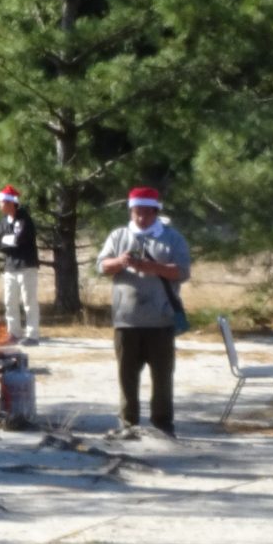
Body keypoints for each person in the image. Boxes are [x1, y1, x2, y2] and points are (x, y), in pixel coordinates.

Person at [96, 187, 192, 437]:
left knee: (162, 377)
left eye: (146, 213)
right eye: (136, 212)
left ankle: (163, 425)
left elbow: (182, 271)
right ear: (131, 211)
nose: (141, 218)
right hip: (126, 320)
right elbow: (102, 266)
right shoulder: (118, 236)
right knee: (126, 377)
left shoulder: (172, 238)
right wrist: (120, 262)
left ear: (155, 212)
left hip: (161, 320)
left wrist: (152, 267)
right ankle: (128, 424)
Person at [0, 185, 41, 346]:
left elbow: (19, 239)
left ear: (10, 203)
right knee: (9, 301)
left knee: (29, 302)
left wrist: (8, 240)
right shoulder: (3, 222)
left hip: (26, 266)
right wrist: (10, 240)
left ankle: (32, 335)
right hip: (10, 267)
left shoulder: (24, 219)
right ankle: (13, 333)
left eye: (1, 202)